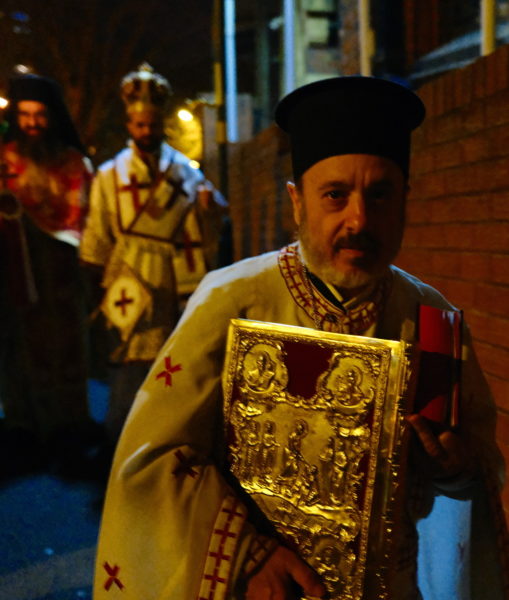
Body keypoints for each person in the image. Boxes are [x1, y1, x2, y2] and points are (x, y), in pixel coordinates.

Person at [93, 77, 506, 599]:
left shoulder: (432, 319)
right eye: (335, 196)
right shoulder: (230, 301)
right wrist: (249, 553)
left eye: (380, 195)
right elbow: (152, 461)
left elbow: (474, 477)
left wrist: (455, 469)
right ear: (297, 203)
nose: (359, 219)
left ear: (405, 200)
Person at [79, 63, 228, 449]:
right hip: (127, 282)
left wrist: (209, 209)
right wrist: (93, 285)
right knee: (128, 366)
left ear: (162, 123)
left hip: (174, 284)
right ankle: (122, 447)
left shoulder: (184, 171)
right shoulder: (109, 174)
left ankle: (168, 444)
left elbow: (214, 214)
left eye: (153, 124)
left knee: (173, 362)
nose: (146, 131)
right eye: (140, 125)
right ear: (129, 124)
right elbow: (97, 234)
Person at [0, 72, 96, 475]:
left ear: (52, 116)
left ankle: (67, 424)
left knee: (64, 346)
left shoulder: (73, 162)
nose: (32, 123)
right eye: (25, 115)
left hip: (61, 272)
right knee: (18, 347)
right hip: (14, 271)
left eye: (39, 115)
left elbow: (85, 218)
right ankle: (23, 425)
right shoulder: (3, 159)